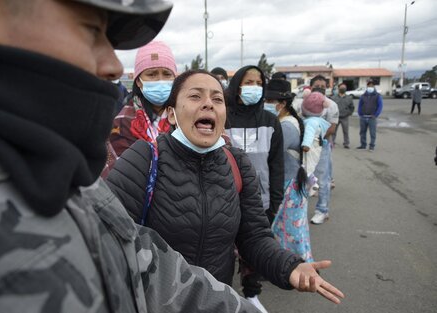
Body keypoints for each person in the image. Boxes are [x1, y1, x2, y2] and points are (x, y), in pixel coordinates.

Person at [0, 1, 312, 312]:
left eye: (217, 99)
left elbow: (143, 260)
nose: (113, 64)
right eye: (90, 29)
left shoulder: (71, 181)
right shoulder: (143, 158)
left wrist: (283, 269)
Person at [106, 70, 344, 311]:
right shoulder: (143, 159)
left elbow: (255, 237)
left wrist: (289, 266)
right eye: (195, 96)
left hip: (217, 303)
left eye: (217, 99)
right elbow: (109, 241)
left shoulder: (237, 164)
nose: (208, 104)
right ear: (171, 113)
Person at [224, 65, 285, 310]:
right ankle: (223, 292)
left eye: (258, 82)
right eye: (248, 82)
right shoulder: (224, 116)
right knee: (225, 251)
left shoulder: (270, 121)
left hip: (261, 200)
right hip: (226, 198)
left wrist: (276, 199)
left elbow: (277, 164)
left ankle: (251, 294)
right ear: (237, 85)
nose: (254, 87)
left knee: (255, 250)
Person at [265, 79, 314, 263]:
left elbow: (269, 153)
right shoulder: (287, 121)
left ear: (282, 103)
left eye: (270, 101)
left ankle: (296, 265)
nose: (266, 105)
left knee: (289, 228)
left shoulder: (286, 126)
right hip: (292, 181)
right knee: (292, 227)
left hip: (288, 184)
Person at [108, 40, 176, 163]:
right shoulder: (122, 122)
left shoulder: (185, 117)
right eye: (152, 74)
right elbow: (119, 172)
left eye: (167, 74)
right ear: (138, 81)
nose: (160, 81)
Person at [308, 75, 339, 225]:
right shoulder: (304, 103)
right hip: (306, 146)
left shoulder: (331, 105)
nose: (319, 88)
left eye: (322, 85)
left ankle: (322, 210)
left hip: (322, 145)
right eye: (316, 85)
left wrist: (315, 139)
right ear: (311, 87)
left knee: (323, 180)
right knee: (306, 176)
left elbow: (331, 128)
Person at [301, 90, 331, 196]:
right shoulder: (318, 120)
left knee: (306, 166)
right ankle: (312, 181)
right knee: (310, 166)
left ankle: (312, 184)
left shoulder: (311, 122)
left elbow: (309, 134)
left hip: (310, 148)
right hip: (317, 147)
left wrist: (306, 145)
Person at [356, 80, 383, 151]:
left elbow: (380, 106)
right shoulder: (363, 96)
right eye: (369, 86)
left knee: (372, 133)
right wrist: (360, 113)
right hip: (363, 117)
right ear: (367, 86)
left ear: (374, 87)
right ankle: (363, 145)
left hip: (372, 117)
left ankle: (372, 146)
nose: (370, 87)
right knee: (362, 132)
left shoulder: (377, 96)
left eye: (372, 86)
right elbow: (360, 105)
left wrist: (375, 115)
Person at [331, 83, 354, 149]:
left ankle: (346, 143)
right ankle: (332, 142)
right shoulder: (333, 97)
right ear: (339, 88)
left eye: (344, 88)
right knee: (333, 131)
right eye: (341, 87)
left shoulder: (349, 98)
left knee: (345, 131)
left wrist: (349, 113)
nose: (343, 89)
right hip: (336, 117)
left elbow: (352, 107)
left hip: (345, 117)